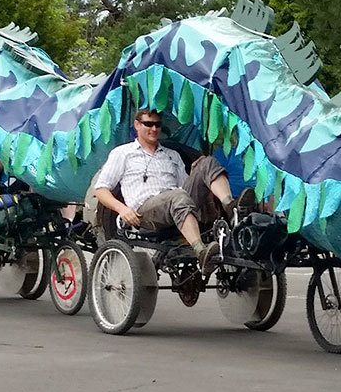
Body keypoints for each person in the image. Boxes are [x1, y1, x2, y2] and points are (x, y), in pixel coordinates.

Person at [92, 109, 236, 274]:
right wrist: (122, 209)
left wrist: (197, 173)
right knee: (177, 196)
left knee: (207, 163)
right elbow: (101, 189)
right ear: (137, 125)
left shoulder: (172, 155)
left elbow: (184, 190)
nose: (154, 129)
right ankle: (201, 252)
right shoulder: (123, 153)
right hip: (145, 210)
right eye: (148, 124)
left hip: (177, 202)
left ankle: (231, 207)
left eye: (157, 125)